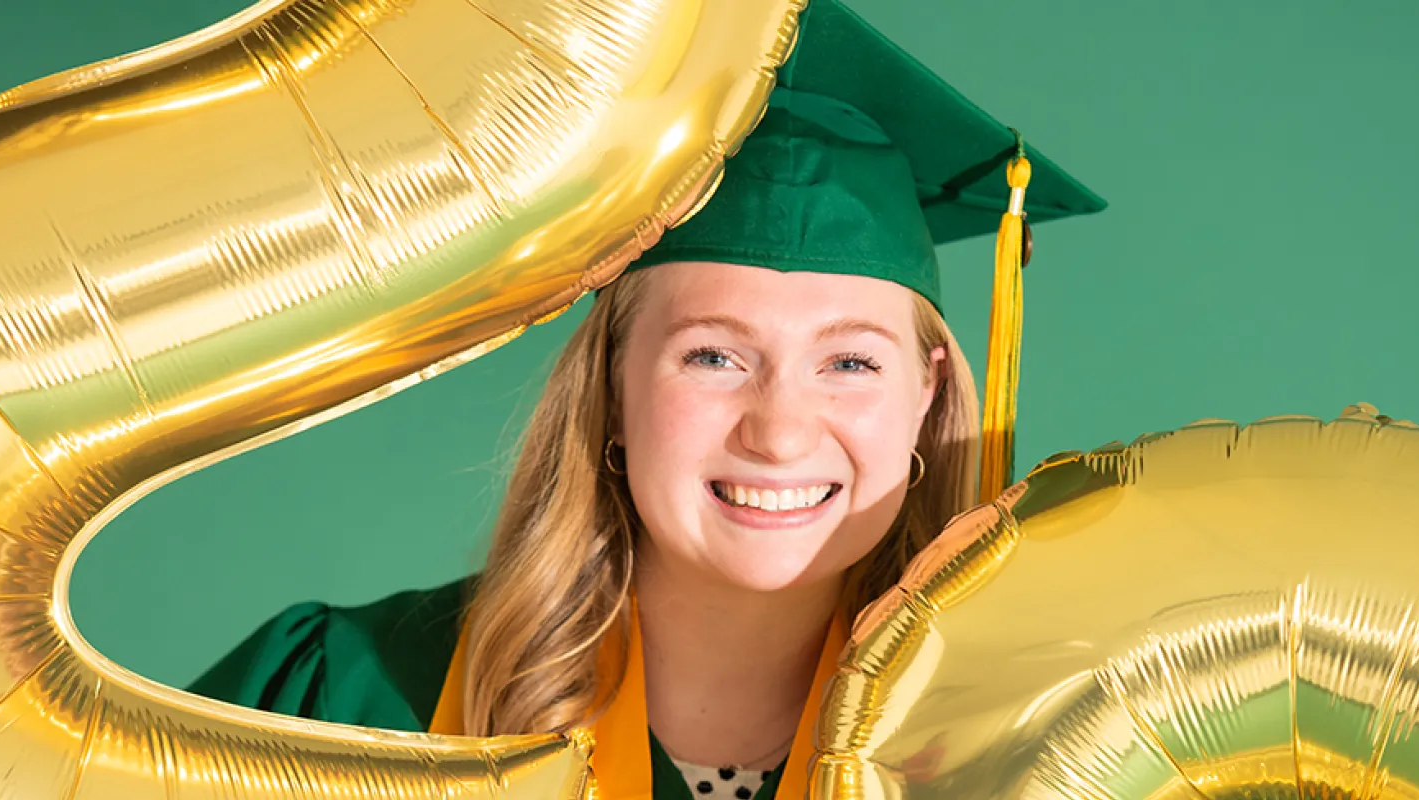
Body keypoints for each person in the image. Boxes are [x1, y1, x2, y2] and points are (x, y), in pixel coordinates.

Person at [187, 1, 1105, 798]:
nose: (780, 432)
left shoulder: (1038, 749)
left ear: (927, 395)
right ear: (613, 388)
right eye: (712, 356)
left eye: (851, 364)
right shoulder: (343, 704)